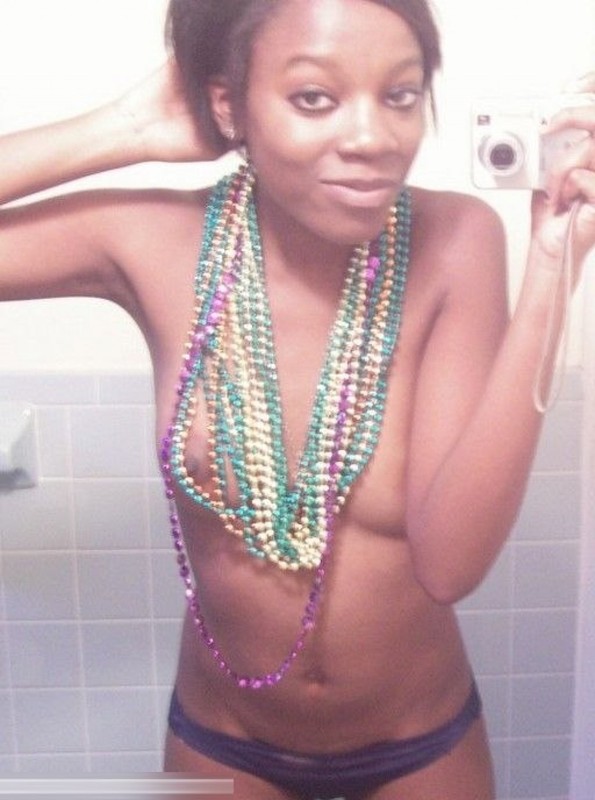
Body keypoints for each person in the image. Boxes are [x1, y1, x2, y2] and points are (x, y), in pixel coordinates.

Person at [1, 0, 594, 797]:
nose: (371, 137)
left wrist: (554, 265)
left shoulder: (456, 238)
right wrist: (127, 127)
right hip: (224, 741)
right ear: (228, 105)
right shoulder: (151, 241)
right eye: (314, 97)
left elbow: (450, 565)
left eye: (399, 94)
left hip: (420, 743)